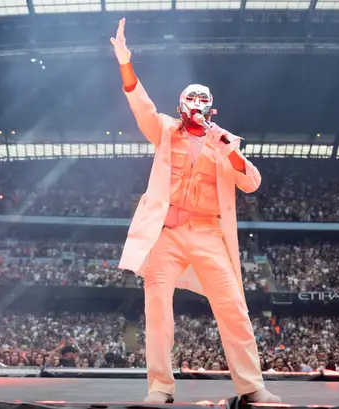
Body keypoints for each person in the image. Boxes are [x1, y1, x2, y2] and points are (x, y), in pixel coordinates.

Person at [111, 18, 281, 405]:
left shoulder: (226, 142)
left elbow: (251, 182)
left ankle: (252, 386)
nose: (197, 105)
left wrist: (229, 150)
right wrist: (125, 61)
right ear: (180, 104)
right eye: (191, 98)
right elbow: (141, 104)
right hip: (164, 235)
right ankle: (159, 387)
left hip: (208, 235)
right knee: (157, 309)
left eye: (204, 100)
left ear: (213, 107)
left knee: (233, 306)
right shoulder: (165, 130)